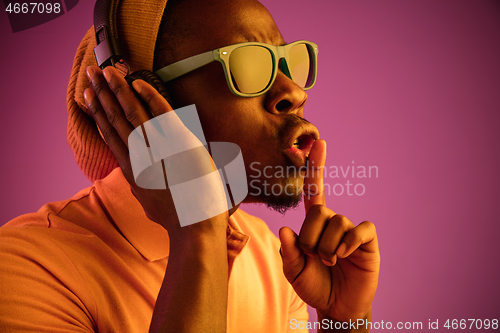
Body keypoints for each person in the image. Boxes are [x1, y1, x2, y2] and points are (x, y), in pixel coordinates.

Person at [0, 0, 380, 332]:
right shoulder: (23, 269)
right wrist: (197, 234)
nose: (295, 93)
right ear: (148, 100)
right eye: (247, 65)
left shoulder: (271, 253)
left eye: (286, 62)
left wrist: (344, 324)